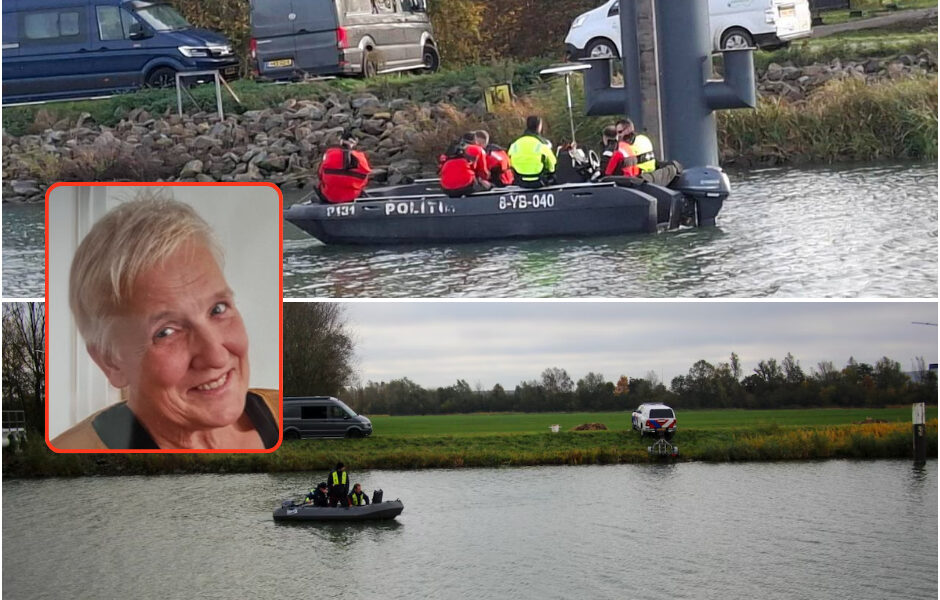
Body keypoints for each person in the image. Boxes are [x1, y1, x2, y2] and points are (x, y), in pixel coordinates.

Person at [50, 196, 279, 450]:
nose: (215, 356)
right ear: (111, 361)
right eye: (166, 332)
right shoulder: (74, 462)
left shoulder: (290, 414)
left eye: (218, 309)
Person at [617, 118, 682, 187]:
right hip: (652, 174)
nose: (618, 135)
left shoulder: (624, 147)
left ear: (628, 130)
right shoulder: (643, 139)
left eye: (620, 132)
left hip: (639, 179)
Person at [316, 132, 372, 203]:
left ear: (341, 141)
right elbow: (365, 181)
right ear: (355, 143)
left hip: (330, 197)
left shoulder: (329, 154)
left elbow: (320, 174)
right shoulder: (360, 157)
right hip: (352, 197)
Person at [508, 115, 557, 189]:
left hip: (520, 181)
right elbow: (552, 163)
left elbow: (509, 161)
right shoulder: (543, 143)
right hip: (539, 181)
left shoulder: (515, 143)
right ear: (539, 126)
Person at [439, 132, 492, 197]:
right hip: (467, 185)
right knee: (487, 185)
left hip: (446, 188)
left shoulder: (450, 151)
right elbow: (483, 173)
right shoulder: (477, 149)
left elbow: (440, 169)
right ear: (475, 140)